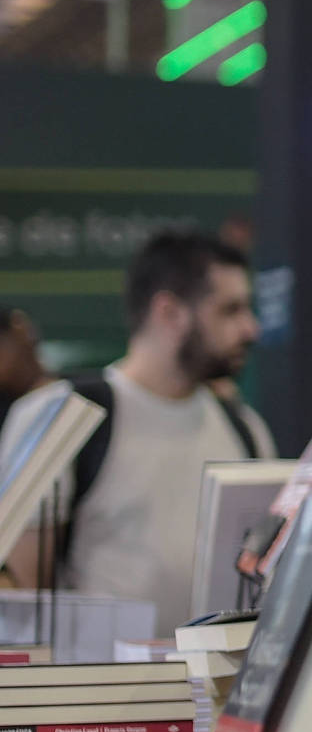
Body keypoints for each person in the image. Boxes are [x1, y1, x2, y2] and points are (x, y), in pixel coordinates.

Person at [0, 231, 268, 631]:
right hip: (96, 688)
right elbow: (24, 597)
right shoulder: (61, 417)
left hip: (219, 687)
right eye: (230, 311)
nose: (251, 329)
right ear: (169, 312)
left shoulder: (245, 427)